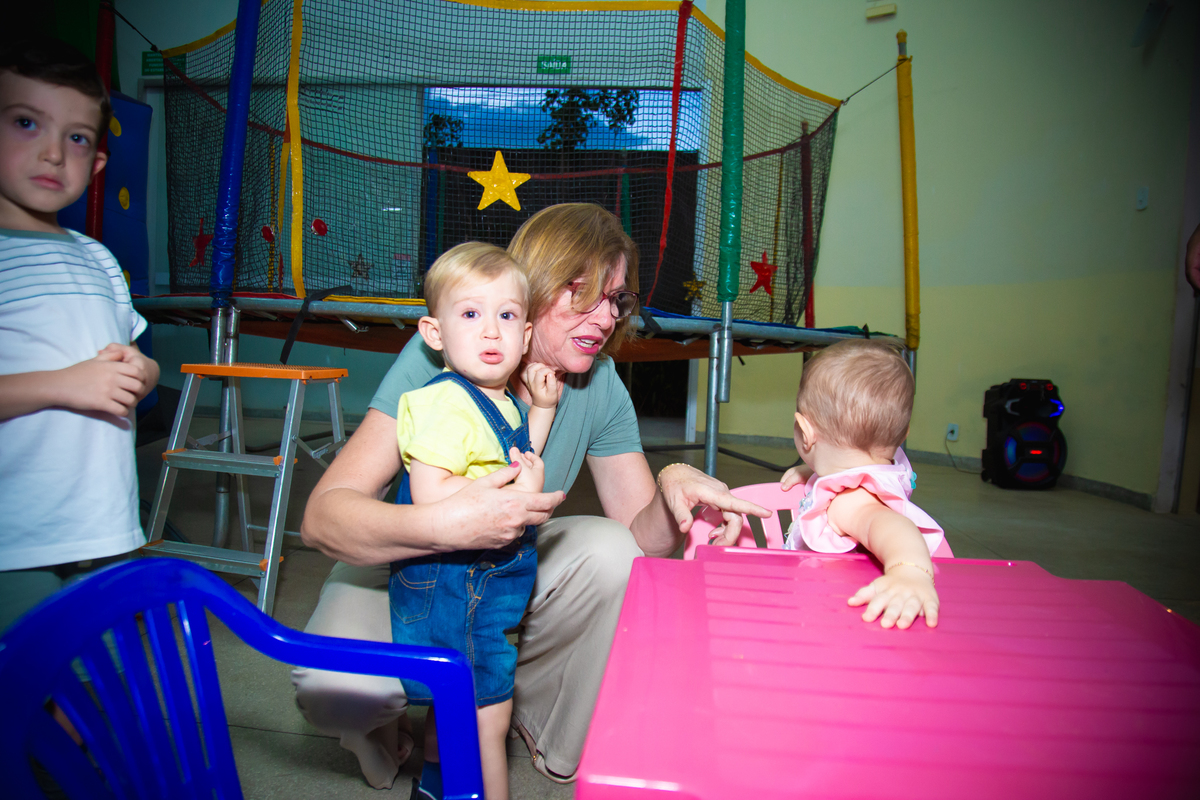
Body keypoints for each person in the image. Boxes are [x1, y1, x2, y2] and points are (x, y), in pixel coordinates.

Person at [294, 203, 768, 790]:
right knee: (335, 687)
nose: (605, 317)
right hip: (409, 570)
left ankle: (524, 716)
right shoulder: (441, 356)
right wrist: (448, 524)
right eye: (583, 294)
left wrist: (674, 483)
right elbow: (322, 519)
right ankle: (381, 730)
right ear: (533, 287)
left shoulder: (599, 382)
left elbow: (643, 544)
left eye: (615, 300)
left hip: (503, 571)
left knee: (613, 551)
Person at [0, 36, 159, 631]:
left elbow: (133, 362)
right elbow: (78, 381)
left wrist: (143, 372)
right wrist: (64, 384)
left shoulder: (96, 258)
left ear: (96, 164)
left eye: (76, 138)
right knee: (28, 683)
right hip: (15, 544)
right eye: (26, 123)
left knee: (106, 681)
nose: (52, 154)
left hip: (104, 530)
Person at [391, 242, 559, 800]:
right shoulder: (445, 403)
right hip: (454, 581)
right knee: (487, 712)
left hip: (482, 578)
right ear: (434, 332)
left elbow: (518, 458)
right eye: (470, 313)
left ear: (526, 335)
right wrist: (516, 494)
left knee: (454, 703)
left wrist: (542, 410)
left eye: (506, 316)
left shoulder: (498, 401)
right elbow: (430, 494)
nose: (491, 331)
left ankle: (436, 785)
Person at [757, 338, 944, 630]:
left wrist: (908, 572)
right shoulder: (883, 470)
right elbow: (852, 465)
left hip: (828, 616)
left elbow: (891, 526)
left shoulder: (849, 501)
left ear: (805, 432)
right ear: (903, 432)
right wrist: (815, 472)